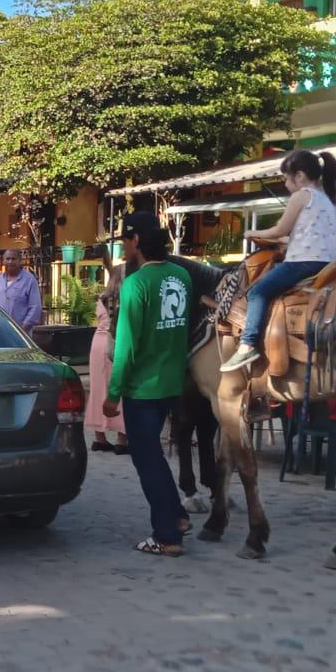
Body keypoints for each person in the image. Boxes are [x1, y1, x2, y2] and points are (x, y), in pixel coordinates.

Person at [103, 224, 192, 556]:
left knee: (147, 459)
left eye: (125, 241)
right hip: (172, 380)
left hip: (143, 387)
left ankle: (166, 536)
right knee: (154, 455)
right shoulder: (182, 276)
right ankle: (179, 517)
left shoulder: (135, 284)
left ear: (136, 241)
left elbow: (126, 345)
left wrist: (114, 392)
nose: (124, 248)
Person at [221, 149, 336, 372]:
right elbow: (303, 233)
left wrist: (252, 232)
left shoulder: (301, 196)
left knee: (257, 292)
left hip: (303, 262)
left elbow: (279, 230)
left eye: (287, 178)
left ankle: (247, 345)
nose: (286, 184)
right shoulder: (325, 198)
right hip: (328, 261)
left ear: (300, 175)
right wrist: (287, 240)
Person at [87, 264, 127, 453]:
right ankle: (121, 438)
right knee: (119, 389)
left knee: (97, 390)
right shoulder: (125, 297)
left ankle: (99, 437)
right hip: (115, 343)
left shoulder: (103, 297)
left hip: (98, 343)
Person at [0, 248, 43, 335]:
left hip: (21, 335)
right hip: (0, 331)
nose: (10, 262)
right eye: (7, 259)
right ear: (3, 261)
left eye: (13, 259)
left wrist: (21, 331)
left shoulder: (29, 279)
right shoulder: (0, 279)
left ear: (20, 261)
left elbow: (35, 307)